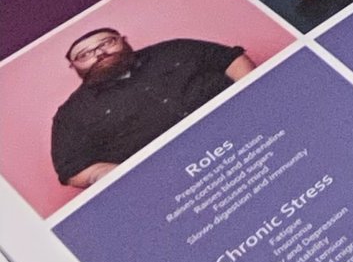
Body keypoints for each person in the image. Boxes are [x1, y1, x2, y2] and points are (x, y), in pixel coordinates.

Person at [48, 23, 253, 193]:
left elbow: (230, 59)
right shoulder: (72, 113)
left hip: (246, 132)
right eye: (85, 55)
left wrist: (255, 94)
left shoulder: (174, 49)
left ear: (124, 40)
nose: (100, 53)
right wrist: (103, 174)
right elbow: (72, 169)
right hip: (175, 184)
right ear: (74, 67)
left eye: (107, 42)